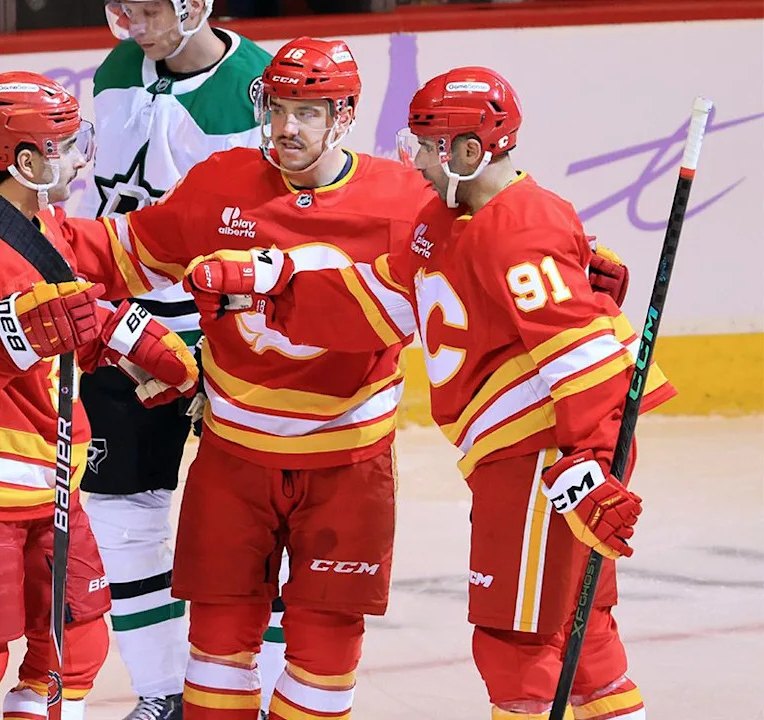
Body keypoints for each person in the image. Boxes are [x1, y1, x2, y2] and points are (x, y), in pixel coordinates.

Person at [188, 67, 671, 720]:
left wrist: (590, 462)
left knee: (517, 644)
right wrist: (270, 290)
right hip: (522, 459)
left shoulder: (518, 228)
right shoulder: (445, 222)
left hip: (543, 458)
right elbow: (381, 297)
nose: (412, 160)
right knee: (583, 645)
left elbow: (581, 358)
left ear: (469, 152)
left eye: (426, 143)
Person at [83, 36, 447, 720]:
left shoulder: (405, 201)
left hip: (347, 465)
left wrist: (567, 255)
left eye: (308, 112)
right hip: (234, 459)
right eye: (277, 107)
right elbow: (123, 251)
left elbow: (479, 264)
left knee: (324, 649)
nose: (287, 127)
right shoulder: (221, 182)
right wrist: (14, 234)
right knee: (217, 643)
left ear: (344, 117)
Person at [0, 71, 198, 720]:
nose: (82, 156)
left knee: (74, 643)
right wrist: (17, 334)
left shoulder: (49, 227)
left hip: (45, 482)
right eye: (66, 143)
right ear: (27, 161)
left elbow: (72, 318)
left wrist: (124, 335)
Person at [76, 2, 278, 717]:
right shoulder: (115, 70)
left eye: (150, 6)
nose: (133, 20)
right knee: (123, 517)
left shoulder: (260, 85)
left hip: (231, 333)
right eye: (123, 4)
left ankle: (259, 694)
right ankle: (161, 693)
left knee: (259, 522)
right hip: (122, 326)